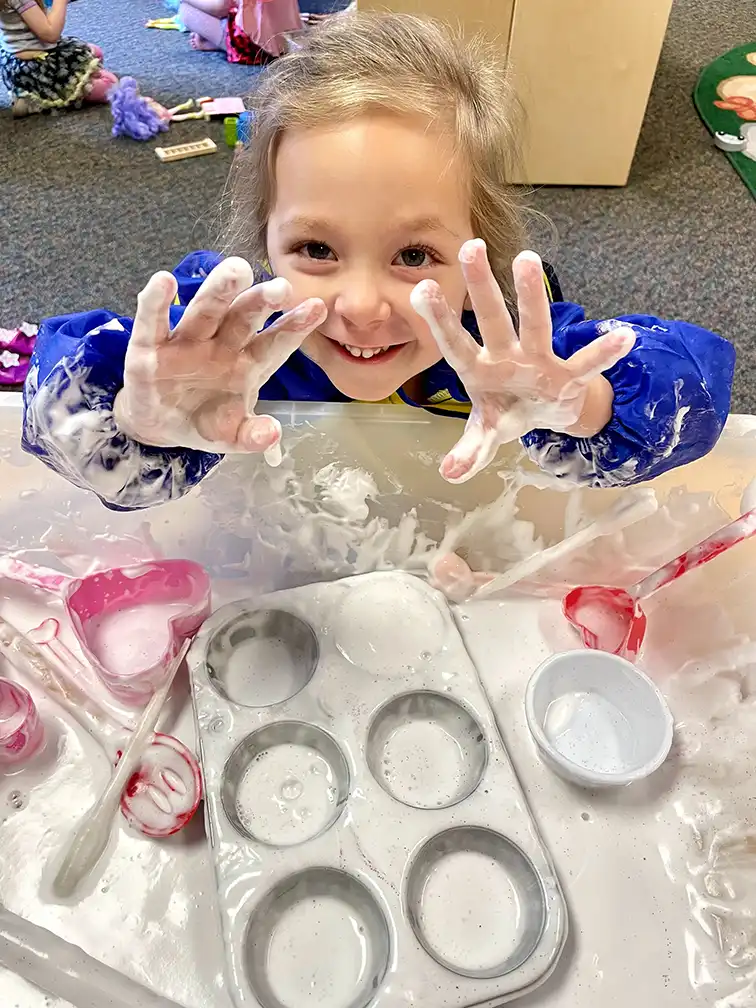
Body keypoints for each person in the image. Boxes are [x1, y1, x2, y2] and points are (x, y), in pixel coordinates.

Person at [23, 13, 735, 523]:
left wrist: (579, 406)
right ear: (265, 241)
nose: (361, 306)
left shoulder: (515, 350)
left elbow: (698, 401)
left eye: (414, 255)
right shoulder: (219, 339)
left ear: (474, 251)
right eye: (317, 250)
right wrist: (133, 426)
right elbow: (58, 413)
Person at [0, 0, 117, 116]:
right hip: (37, 65)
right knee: (111, 85)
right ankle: (32, 100)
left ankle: (27, 93)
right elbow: (50, 34)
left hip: (18, 60)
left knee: (96, 52)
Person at [180, 0, 301, 61]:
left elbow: (219, 8)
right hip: (285, 32)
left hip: (256, 47)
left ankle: (227, 45)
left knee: (186, 10)